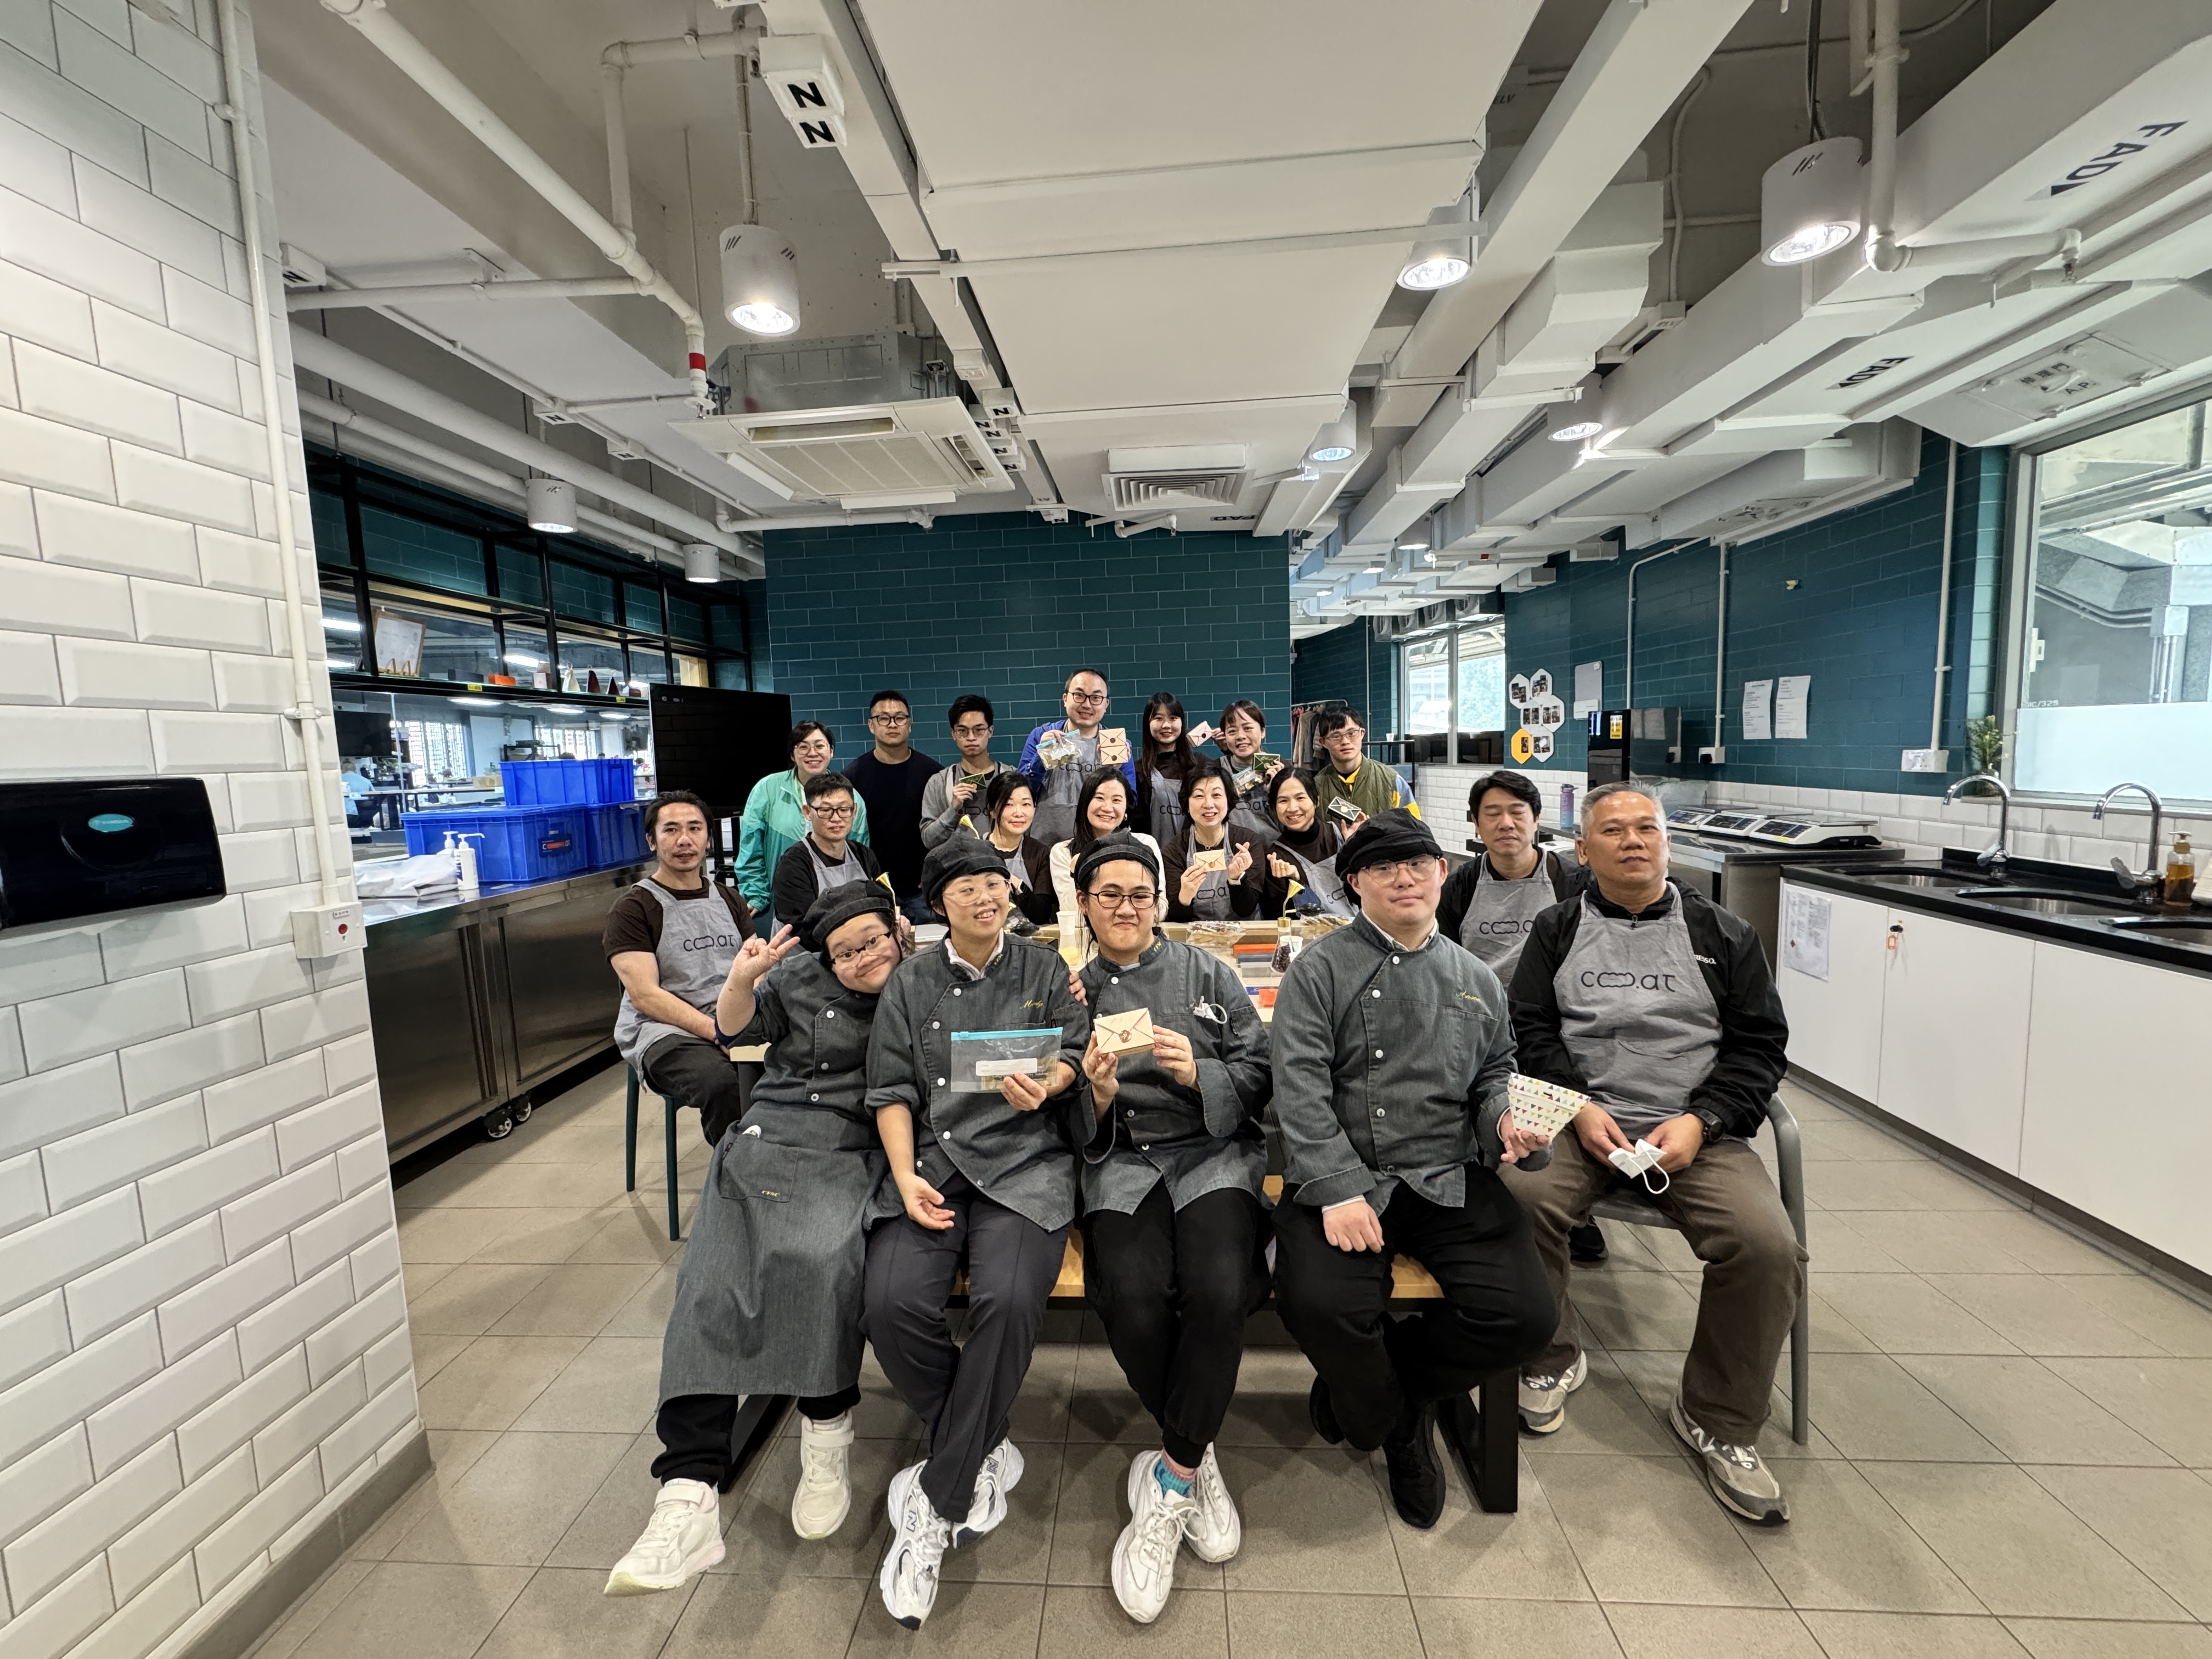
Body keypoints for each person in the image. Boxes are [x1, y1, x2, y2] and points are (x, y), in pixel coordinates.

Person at [1502, 782, 1801, 1526]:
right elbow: (1529, 1028)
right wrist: (1577, 1105)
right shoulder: (1556, 929)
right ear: (1583, 850)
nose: (1633, 841)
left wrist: (1705, 1119)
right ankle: (1548, 1356)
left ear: (1668, 842)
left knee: (1765, 1245)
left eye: (1647, 828)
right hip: (1578, 1120)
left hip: (1694, 1131)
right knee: (1515, 1196)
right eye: (1613, 831)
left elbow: (1761, 1047)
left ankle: (1719, 1418)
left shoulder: (1725, 934)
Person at [605, 885, 904, 1597]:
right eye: (846, 952)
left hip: (851, 1147)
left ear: (897, 931)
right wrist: (740, 981)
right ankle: (687, 1493)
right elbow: (732, 1030)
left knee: (821, 1262)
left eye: (874, 941)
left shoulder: (918, 985)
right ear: (824, 958)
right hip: (771, 1134)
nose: (864, 958)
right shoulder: (794, 978)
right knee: (712, 1280)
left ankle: (826, 1431)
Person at [1269, 809, 1557, 1530]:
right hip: (1348, 1172)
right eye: (1383, 866)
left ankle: (1392, 1397)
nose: (1404, 878)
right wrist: (1338, 1190)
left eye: (1418, 864)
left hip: (1446, 1172)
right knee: (1318, 1303)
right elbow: (1297, 1086)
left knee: (1525, 1316)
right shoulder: (1319, 970)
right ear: (1355, 883)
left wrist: (1505, 1119)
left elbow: (1495, 1073)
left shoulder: (1474, 977)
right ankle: (1394, 1423)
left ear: (1441, 874)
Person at [864, 838, 1091, 1628]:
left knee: (1009, 1300)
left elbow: (1074, 1047)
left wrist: (1052, 1082)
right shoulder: (910, 982)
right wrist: (904, 1176)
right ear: (939, 905)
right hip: (934, 1163)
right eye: (967, 888)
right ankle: (985, 1440)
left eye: (995, 883)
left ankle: (936, 1502)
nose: (987, 897)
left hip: (1027, 1165)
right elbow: (892, 1090)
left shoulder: (1045, 968)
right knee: (890, 1302)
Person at [1071, 833, 1272, 1623]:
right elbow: (1056, 1105)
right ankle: (1193, 1449)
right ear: (1084, 905)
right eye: (1109, 895)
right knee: (1129, 1294)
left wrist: (1202, 1073)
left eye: (1140, 895)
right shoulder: (1070, 991)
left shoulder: (1209, 972)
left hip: (1211, 1155)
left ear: (1160, 901)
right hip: (1122, 1163)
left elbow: (1259, 1073)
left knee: (1223, 1291)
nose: (1126, 908)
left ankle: (1172, 1473)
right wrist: (1092, 1095)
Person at [1435, 770, 1605, 1266]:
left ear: (1536, 821)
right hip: (1477, 1019)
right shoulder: (1461, 885)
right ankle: (1482, 1190)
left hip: (1550, 1021)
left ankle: (1576, 1212)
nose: (1506, 823)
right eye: (1493, 814)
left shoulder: (1572, 882)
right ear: (1476, 824)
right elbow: (1443, 957)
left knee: (1557, 1095)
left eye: (1517, 813)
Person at [605, 792, 757, 1148]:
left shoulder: (728, 898)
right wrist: (719, 1033)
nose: (684, 840)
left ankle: (784, 1163)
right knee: (723, 1086)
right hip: (666, 1031)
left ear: (708, 839)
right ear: (652, 841)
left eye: (694, 829)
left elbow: (754, 968)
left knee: (797, 1068)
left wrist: (743, 1023)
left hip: (731, 1017)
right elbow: (646, 996)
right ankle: (738, 1175)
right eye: (671, 830)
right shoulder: (634, 908)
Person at [737, 723, 873, 926]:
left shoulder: (852, 798)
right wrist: (756, 894)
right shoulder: (767, 789)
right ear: (793, 754)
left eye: (820, 746)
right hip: (778, 903)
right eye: (803, 746)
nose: (812, 753)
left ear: (831, 751)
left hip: (839, 911)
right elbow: (750, 847)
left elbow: (859, 857)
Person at [845, 690, 941, 923]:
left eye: (899, 718)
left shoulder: (932, 773)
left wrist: (934, 875)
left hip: (923, 892)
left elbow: (944, 830)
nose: (892, 724)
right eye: (883, 718)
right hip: (873, 891)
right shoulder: (853, 776)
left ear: (909, 724)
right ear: (871, 725)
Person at [1019, 668, 1135, 846]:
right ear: (1065, 699)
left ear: (1106, 704)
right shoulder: (1042, 735)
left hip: (1100, 845)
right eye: (1079, 696)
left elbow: (1131, 803)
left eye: (1096, 698)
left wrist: (1114, 774)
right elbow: (1021, 794)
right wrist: (1040, 760)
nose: (1087, 705)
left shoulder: (1116, 744)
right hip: (1044, 846)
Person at [1046, 767, 1166, 935]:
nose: (1107, 807)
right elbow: (1074, 918)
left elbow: (1160, 910)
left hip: (1135, 938)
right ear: (1085, 804)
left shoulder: (1145, 845)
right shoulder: (1063, 852)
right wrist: (1076, 874)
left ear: (1126, 810)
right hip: (1087, 943)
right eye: (1099, 798)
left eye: (1116, 800)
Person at [770, 770, 888, 932]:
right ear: (808, 812)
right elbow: (803, 929)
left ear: (854, 810)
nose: (836, 818)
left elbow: (882, 903)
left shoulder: (864, 855)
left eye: (844, 809)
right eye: (825, 810)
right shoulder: (793, 865)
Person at [1160, 762, 1267, 922]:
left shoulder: (1247, 842)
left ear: (1228, 801)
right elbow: (1178, 918)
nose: (1209, 804)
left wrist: (1236, 878)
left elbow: (1246, 910)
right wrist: (1185, 895)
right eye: (1199, 796)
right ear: (1187, 805)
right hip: (1195, 934)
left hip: (1243, 933)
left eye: (1216, 795)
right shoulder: (1175, 851)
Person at [921, 695, 1016, 850]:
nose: (971, 738)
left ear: (990, 731)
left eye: (979, 730)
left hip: (1003, 864)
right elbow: (929, 840)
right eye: (962, 731)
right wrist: (953, 809)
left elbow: (1026, 829)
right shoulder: (939, 782)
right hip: (957, 864)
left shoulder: (1011, 777)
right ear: (953, 734)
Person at [1253, 766, 1351, 918]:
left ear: (1316, 801)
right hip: (1312, 933)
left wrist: (1355, 848)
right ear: (1274, 807)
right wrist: (1295, 880)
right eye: (1283, 800)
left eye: (1300, 798)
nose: (1292, 808)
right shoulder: (1275, 858)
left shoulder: (1340, 834)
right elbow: (1280, 917)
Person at [1309, 708, 1418, 825]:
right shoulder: (1315, 788)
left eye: (1351, 734)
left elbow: (1414, 830)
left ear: (1362, 734)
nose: (1345, 741)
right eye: (1336, 736)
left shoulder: (1392, 781)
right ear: (1323, 742)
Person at [978, 772, 1058, 924]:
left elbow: (1041, 914)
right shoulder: (974, 851)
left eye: (1026, 804)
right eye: (1009, 804)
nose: (1019, 813)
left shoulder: (1041, 853)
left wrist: (1009, 878)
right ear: (992, 810)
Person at [1133, 692, 1199, 847]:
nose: (1166, 725)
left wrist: (1227, 749)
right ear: (1148, 723)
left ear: (1182, 722)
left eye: (1173, 718)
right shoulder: (1138, 771)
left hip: (1196, 854)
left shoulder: (1199, 764)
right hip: (1153, 854)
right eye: (1158, 718)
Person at [1215, 699, 1285, 840]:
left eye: (1248, 728)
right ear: (1225, 736)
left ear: (1263, 731)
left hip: (1275, 850)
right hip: (1232, 851)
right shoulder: (1216, 771)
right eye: (1232, 731)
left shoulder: (1282, 769)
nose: (1241, 736)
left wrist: (1279, 790)